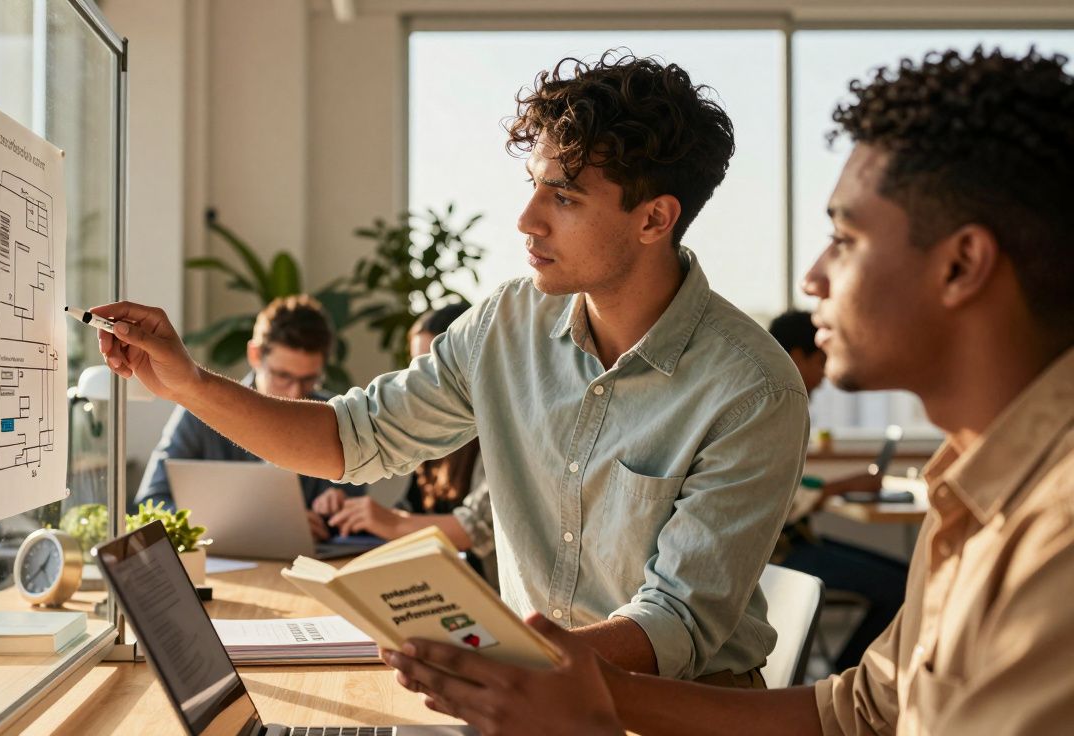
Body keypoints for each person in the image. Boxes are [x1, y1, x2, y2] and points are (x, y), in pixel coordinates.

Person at [382, 47, 1074, 735]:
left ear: (961, 265)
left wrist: (581, 720)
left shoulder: (1057, 541)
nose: (812, 278)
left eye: (845, 236)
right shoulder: (971, 490)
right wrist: (580, 687)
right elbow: (858, 711)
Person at [95, 50, 810, 687]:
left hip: (672, 709)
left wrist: (507, 663)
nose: (527, 219)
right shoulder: (505, 324)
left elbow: (675, 624)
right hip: (530, 692)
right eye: (534, 187)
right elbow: (354, 437)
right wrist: (188, 383)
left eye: (562, 196)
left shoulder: (752, 388)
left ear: (654, 219)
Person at [134, 295, 363, 541]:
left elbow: (351, 520)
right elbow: (150, 505)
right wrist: (249, 526)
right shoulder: (199, 411)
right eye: (282, 376)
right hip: (217, 567)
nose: (296, 393)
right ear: (254, 355)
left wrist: (336, 510)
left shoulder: (334, 416)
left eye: (308, 379)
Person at [768, 309, 909, 671]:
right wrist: (844, 485)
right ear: (797, 356)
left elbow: (792, 481)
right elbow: (780, 497)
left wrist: (841, 485)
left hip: (796, 542)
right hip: (778, 554)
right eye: (821, 360)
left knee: (907, 578)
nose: (824, 375)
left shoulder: (781, 400)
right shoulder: (771, 401)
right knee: (903, 588)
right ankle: (847, 677)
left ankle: (849, 677)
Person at [324, 302, 499, 588]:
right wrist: (346, 515)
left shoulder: (499, 432)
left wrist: (388, 521)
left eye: (431, 367)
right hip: (439, 586)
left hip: (494, 600)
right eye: (414, 366)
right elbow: (412, 509)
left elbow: (473, 530)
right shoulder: (432, 433)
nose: (419, 382)